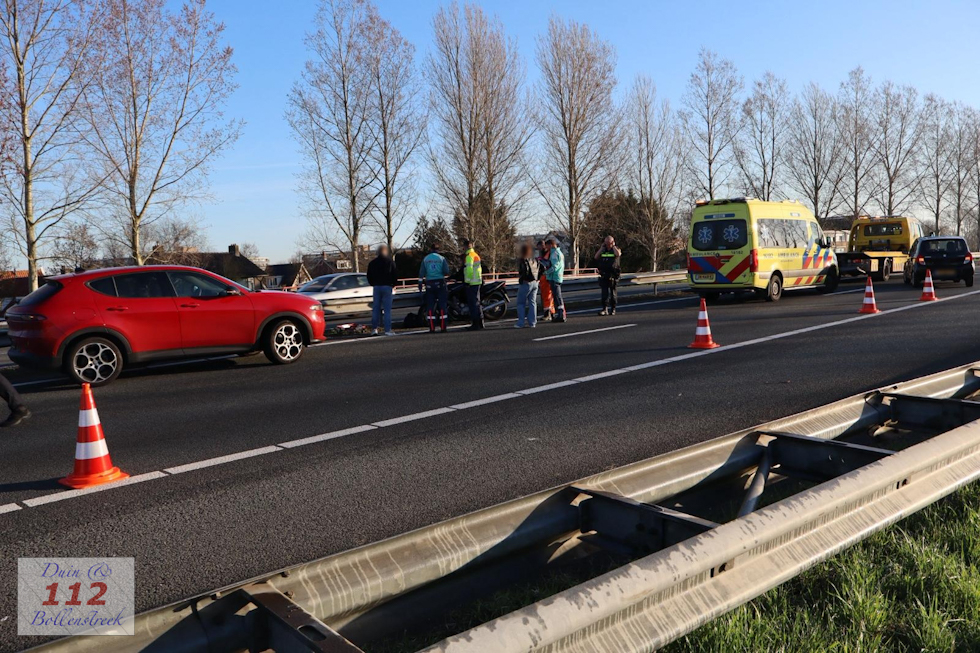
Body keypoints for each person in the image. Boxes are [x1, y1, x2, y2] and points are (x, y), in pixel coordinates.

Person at [418, 242, 450, 333]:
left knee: (430, 306)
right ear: (438, 250)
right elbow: (446, 271)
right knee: (442, 305)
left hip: (429, 284)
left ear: (430, 249)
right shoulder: (442, 258)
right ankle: (443, 327)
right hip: (440, 283)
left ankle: (432, 327)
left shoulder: (426, 259)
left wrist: (420, 284)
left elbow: (421, 273)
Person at [367, 245, 398, 336]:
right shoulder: (390, 262)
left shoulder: (372, 263)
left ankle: (374, 329)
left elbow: (369, 276)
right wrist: (393, 284)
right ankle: (387, 329)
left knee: (376, 309)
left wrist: (373, 284)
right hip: (387, 287)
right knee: (387, 310)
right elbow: (395, 274)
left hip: (376, 287)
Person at [594, 235, 622, 316]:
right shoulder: (603, 250)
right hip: (604, 274)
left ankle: (613, 309)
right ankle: (604, 309)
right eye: (606, 243)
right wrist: (601, 248)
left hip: (613, 274)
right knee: (604, 293)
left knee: (613, 293)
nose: (607, 245)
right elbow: (596, 257)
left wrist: (613, 246)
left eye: (609, 243)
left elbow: (618, 254)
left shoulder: (615, 249)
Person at [515, 242, 540, 328]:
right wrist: (537, 278)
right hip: (535, 282)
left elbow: (524, 271)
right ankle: (532, 322)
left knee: (520, 303)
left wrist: (522, 278)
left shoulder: (523, 260)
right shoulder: (534, 259)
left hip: (526, 282)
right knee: (532, 302)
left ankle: (521, 322)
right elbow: (542, 267)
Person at [462, 239, 484, 331]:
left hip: (472, 283)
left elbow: (469, 270)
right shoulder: (476, 255)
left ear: (466, 246)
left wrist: (467, 281)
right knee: (477, 303)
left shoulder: (469, 256)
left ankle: (475, 324)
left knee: (473, 304)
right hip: (477, 281)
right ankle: (480, 322)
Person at [544, 236, 566, 322]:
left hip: (554, 277)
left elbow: (555, 266)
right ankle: (560, 314)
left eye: (547, 246)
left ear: (550, 245)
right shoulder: (559, 252)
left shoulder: (554, 253)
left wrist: (546, 272)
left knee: (557, 296)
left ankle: (561, 315)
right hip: (558, 276)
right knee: (557, 296)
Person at [536, 240, 555, 322]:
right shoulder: (548, 253)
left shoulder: (547, 253)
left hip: (546, 276)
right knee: (548, 296)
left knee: (546, 296)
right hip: (546, 276)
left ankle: (548, 313)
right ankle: (551, 312)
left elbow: (546, 264)